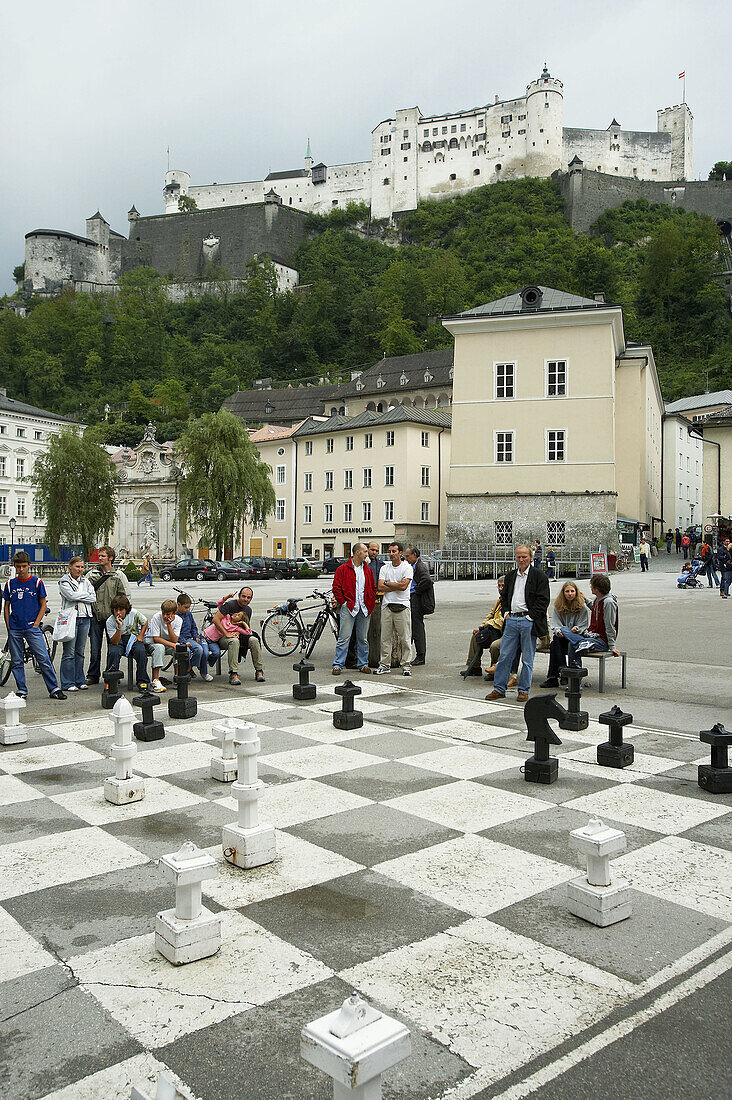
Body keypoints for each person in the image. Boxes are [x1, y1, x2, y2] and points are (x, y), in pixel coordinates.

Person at [486, 544, 550, 703]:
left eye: (524, 557)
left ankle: (523, 690)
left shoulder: (539, 576)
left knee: (527, 659)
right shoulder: (511, 576)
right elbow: (505, 597)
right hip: (512, 620)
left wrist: (531, 617)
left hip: (528, 621)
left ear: (531, 557)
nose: (521, 560)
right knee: (505, 656)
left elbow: (543, 600)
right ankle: (499, 688)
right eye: (519, 557)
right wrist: (506, 613)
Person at [2, 551, 66, 700]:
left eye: (24, 566)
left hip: (32, 627)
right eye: (18, 567)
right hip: (15, 628)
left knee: (43, 658)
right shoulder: (10, 584)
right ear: (15, 567)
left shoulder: (37, 582)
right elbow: (6, 605)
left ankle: (54, 688)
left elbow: (43, 604)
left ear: (29, 566)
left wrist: (36, 623)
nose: (21, 570)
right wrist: (8, 625)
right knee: (17, 661)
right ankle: (22, 690)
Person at [86, 546, 129, 684]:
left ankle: (111, 674)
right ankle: (93, 675)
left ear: (110, 558)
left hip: (112, 618)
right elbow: (85, 594)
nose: (100, 558)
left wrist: (121, 614)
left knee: (113, 648)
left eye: (103, 556)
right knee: (94, 648)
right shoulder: (92, 575)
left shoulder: (117, 576)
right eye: (99, 556)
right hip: (96, 617)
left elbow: (124, 596)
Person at [332, 543, 376, 675]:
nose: (367, 554)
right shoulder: (343, 569)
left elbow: (373, 588)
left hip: (364, 609)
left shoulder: (367, 570)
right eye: (365, 552)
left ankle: (363, 664)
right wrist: (343, 602)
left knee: (363, 639)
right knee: (344, 638)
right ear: (357, 553)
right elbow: (336, 587)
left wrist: (370, 604)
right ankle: (338, 665)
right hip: (349, 607)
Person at [539, 581, 590, 687]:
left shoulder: (582, 608)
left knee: (557, 643)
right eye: (567, 591)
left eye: (572, 591)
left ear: (576, 592)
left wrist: (576, 629)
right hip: (562, 638)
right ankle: (561, 671)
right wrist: (558, 631)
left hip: (575, 638)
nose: (570, 594)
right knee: (555, 642)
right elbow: (556, 624)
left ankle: (555, 676)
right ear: (563, 593)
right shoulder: (558, 606)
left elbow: (583, 625)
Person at [563, 573, 620, 666]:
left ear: (596, 589)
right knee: (564, 630)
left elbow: (610, 625)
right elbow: (595, 608)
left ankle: (575, 676)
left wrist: (612, 646)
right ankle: (581, 644)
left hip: (601, 641)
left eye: (591, 585)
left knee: (573, 645)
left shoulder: (608, 602)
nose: (590, 587)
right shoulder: (599, 599)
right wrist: (585, 599)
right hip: (592, 636)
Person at [58, 556, 96, 691]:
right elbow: (70, 596)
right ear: (70, 566)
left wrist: (79, 595)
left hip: (85, 618)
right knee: (69, 652)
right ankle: (68, 682)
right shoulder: (64, 581)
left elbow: (93, 597)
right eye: (77, 566)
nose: (80, 569)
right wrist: (84, 595)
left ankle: (79, 680)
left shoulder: (86, 581)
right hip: (70, 619)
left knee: (80, 652)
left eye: (82, 567)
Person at [375, 542, 413, 676]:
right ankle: (384, 664)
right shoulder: (385, 568)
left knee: (405, 638)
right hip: (387, 606)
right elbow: (380, 587)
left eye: (394, 551)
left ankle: (406, 665)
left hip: (402, 606)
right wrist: (396, 585)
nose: (391, 554)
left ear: (400, 553)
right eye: (390, 551)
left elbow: (404, 587)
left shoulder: (407, 568)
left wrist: (388, 583)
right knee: (385, 638)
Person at [213, 587, 265, 684]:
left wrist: (242, 629)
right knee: (234, 641)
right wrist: (226, 633)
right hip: (223, 636)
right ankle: (233, 674)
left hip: (239, 635)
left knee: (254, 640)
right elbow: (215, 619)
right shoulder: (230, 605)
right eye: (243, 596)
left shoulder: (248, 610)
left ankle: (259, 671)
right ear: (239, 596)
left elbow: (246, 630)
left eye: (248, 597)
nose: (246, 599)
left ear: (251, 599)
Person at [462, 575, 506, 677]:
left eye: (503, 586)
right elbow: (490, 615)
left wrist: (487, 624)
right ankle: (474, 667)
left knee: (494, 646)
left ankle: (494, 670)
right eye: (499, 586)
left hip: (505, 632)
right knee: (476, 636)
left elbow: (502, 621)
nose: (500, 588)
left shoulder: (510, 600)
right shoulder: (499, 600)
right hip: (494, 630)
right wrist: (481, 627)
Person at [105, 595, 149, 690]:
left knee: (141, 652)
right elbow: (115, 641)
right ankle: (111, 681)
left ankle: (142, 680)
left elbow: (145, 622)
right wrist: (119, 627)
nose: (118, 613)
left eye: (121, 610)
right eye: (116, 610)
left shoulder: (134, 613)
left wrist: (141, 635)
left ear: (126, 609)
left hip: (132, 637)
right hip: (118, 638)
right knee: (114, 653)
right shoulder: (110, 621)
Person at [405, 546, 435, 666]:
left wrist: (416, 590)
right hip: (413, 598)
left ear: (415, 555)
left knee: (417, 628)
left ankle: (420, 656)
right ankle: (411, 653)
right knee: (412, 627)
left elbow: (427, 580)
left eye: (408, 556)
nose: (406, 558)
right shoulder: (413, 566)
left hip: (417, 600)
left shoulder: (420, 567)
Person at [144, 599, 182, 693]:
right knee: (160, 647)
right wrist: (173, 645)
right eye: (163, 613)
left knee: (179, 648)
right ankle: (155, 680)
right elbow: (156, 638)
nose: (165, 616)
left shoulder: (178, 620)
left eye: (168, 614)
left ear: (174, 613)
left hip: (167, 642)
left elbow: (174, 640)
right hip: (151, 641)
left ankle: (178, 677)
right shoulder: (156, 617)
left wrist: (169, 625)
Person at [176, 593, 214, 680]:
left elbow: (193, 626)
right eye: (185, 607)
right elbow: (175, 633)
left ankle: (189, 668)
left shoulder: (188, 614)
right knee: (187, 652)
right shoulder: (175, 616)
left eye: (188, 607)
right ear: (178, 605)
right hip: (180, 640)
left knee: (200, 649)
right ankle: (186, 670)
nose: (187, 609)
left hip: (189, 638)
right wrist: (184, 642)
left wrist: (196, 635)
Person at [366, 542, 384, 668]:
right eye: (372, 550)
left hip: (377, 600)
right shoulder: (363, 564)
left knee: (376, 632)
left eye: (377, 551)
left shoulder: (380, 565)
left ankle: (375, 657)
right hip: (365, 600)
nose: (374, 552)